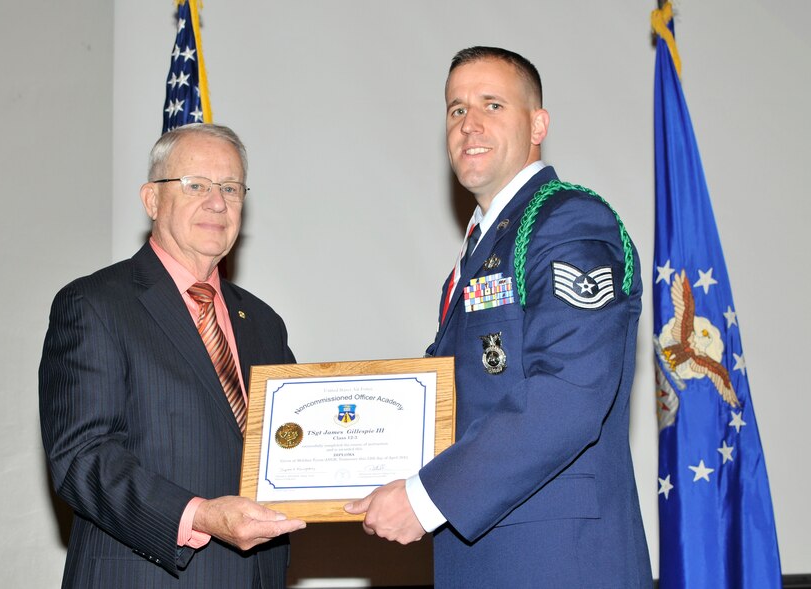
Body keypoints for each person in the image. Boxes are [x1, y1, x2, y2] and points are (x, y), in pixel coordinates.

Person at [345, 47, 653, 587]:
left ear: (538, 124)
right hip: (486, 552)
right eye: (456, 109)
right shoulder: (487, 243)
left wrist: (425, 497)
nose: (470, 124)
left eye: (492, 105)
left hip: (554, 559)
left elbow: (568, 394)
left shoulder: (569, 222)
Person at [39, 123, 306, 588]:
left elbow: (292, 443)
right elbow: (81, 457)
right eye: (195, 185)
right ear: (152, 200)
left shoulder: (264, 322)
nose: (217, 202)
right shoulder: (94, 304)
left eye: (230, 187)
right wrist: (199, 515)